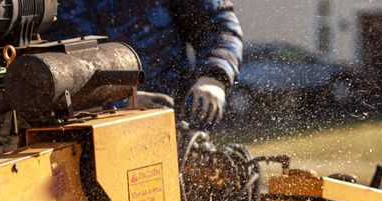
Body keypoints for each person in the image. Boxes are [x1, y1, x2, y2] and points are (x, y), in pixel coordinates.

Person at [51, 0, 244, 126]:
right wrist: (118, 104)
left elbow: (217, 24)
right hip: (78, 138)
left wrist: (213, 78)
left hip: (173, 128)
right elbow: (34, 74)